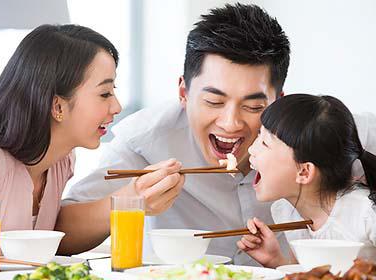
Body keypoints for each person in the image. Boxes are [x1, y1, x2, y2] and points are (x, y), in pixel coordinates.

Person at [64, 3, 376, 265]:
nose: (230, 123)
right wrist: (130, 200)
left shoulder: (323, 131)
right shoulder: (143, 142)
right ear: (184, 92)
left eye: (254, 107)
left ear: (278, 101)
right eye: (214, 101)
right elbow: (62, 231)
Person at [0, 24, 184, 274]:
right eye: (105, 93)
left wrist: (134, 198)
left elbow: (57, 237)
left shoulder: (59, 163)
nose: (117, 107)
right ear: (58, 106)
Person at [237, 94, 376, 267]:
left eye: (265, 143)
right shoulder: (285, 212)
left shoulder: (366, 213)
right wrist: (276, 262)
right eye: (259, 135)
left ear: (304, 171)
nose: (251, 149)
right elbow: (309, 279)